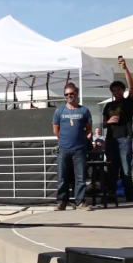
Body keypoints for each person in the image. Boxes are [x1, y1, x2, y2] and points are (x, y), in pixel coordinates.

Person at [102, 57, 133, 203]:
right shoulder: (108, 106)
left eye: (118, 90)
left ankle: (131, 196)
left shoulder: (128, 102)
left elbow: (132, 88)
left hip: (124, 138)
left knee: (126, 170)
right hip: (111, 139)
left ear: (122, 90)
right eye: (114, 90)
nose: (116, 92)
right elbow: (104, 124)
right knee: (112, 169)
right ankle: (112, 195)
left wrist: (125, 68)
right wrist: (108, 121)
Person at [51, 83, 93, 211]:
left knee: (80, 177)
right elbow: (55, 130)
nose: (69, 96)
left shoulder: (84, 110)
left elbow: (88, 129)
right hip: (63, 148)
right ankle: (62, 202)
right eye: (67, 94)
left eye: (72, 93)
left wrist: (79, 139)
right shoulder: (59, 111)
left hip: (79, 149)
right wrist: (65, 140)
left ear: (77, 94)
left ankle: (80, 202)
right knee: (62, 177)